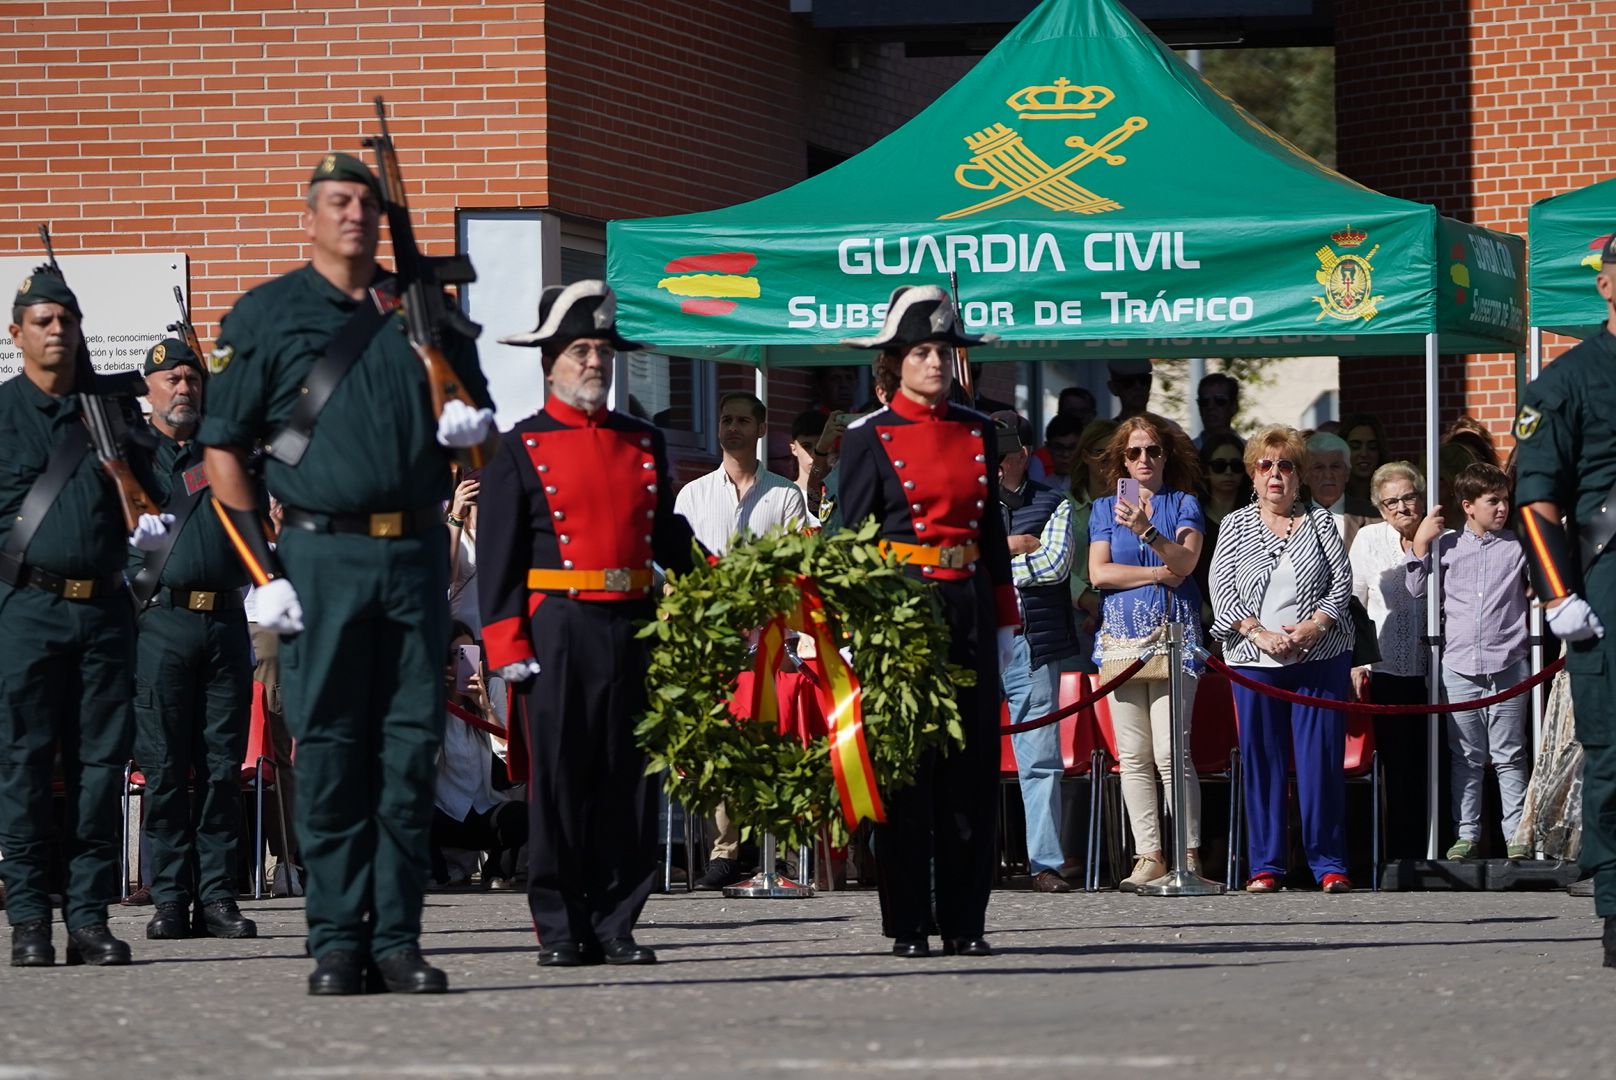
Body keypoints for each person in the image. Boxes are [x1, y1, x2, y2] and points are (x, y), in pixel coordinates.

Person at [199, 151, 495, 995]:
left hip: (413, 556)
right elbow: (224, 447)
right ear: (311, 218)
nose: (355, 214)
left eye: (365, 201)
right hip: (320, 557)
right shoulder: (267, 315)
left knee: (408, 752)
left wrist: (469, 421)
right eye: (337, 201)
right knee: (329, 747)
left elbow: (481, 440)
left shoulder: (423, 309)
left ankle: (396, 938)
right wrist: (263, 567)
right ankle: (335, 939)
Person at [480, 279, 698, 968]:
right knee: (563, 782)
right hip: (558, 628)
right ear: (550, 362)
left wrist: (729, 579)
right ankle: (561, 923)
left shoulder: (643, 440)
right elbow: (498, 559)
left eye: (603, 349)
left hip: (634, 623)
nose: (596, 362)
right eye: (580, 349)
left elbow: (668, 536)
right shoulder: (521, 447)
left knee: (630, 782)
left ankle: (617, 921)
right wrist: (506, 642)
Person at [838, 284, 1019, 958]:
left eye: (944, 350)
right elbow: (847, 540)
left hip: (967, 603)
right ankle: (910, 921)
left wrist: (1003, 622)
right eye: (922, 351)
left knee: (972, 776)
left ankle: (967, 921)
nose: (936, 362)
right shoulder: (868, 438)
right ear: (896, 361)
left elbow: (993, 537)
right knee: (909, 778)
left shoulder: (978, 431)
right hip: (902, 613)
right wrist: (851, 632)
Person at [0, 271, 169, 968]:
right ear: (17, 334)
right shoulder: (4, 412)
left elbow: (159, 493)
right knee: (25, 766)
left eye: (66, 320)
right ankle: (31, 921)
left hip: (102, 609)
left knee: (101, 768)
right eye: (42, 321)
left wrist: (130, 472)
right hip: (28, 609)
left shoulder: (114, 409)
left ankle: (90, 917)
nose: (56, 331)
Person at [130, 337, 257, 942]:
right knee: (162, 768)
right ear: (149, 387)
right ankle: (171, 898)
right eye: (171, 379)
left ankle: (217, 897)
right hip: (161, 621)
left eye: (192, 379)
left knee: (221, 768)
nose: (183, 388)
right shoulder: (131, 454)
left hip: (226, 620)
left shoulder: (226, 450)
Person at [1515, 234, 1616, 969]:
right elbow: (1536, 501)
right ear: (1607, 287)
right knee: (1615, 752)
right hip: (1609, 586)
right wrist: (1560, 596)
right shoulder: (1566, 381)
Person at [1210, 425, 1355, 893]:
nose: (1275, 474)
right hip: (1254, 661)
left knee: (1320, 765)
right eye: (1265, 465)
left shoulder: (1321, 522)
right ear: (1254, 476)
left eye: (1286, 465)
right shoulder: (1234, 525)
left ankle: (1328, 864)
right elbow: (1222, 590)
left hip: (1320, 658)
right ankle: (1266, 867)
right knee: (1262, 761)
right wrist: (1258, 633)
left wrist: (1316, 625)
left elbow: (1341, 583)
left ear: (1299, 476)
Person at [673, 391, 807, 891]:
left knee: (779, 743)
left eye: (742, 420)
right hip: (715, 641)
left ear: (761, 426)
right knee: (720, 747)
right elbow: (675, 575)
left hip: (773, 639)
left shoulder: (785, 496)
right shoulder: (691, 496)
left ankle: (784, 854)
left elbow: (798, 569)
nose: (732, 428)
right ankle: (724, 853)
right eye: (725, 419)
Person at [1088, 414, 1207, 889]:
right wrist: (1158, 574)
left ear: (1166, 456)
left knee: (1171, 751)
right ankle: (1149, 855)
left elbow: (1188, 561)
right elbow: (1099, 574)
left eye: (1152, 450)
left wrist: (1146, 532)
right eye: (1134, 452)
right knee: (1132, 755)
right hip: (1120, 639)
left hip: (1174, 636)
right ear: (1121, 458)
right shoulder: (1103, 508)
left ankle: (1187, 855)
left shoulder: (1183, 504)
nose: (1143, 459)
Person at [1406, 462, 1530, 861]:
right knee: (1466, 756)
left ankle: (1516, 835)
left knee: (1510, 755)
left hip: (1508, 662)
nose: (1501, 508)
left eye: (1505, 500)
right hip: (1459, 664)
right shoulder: (1448, 546)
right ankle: (1467, 834)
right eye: (1492, 501)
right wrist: (1420, 546)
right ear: (1468, 506)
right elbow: (1414, 589)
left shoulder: (1516, 547)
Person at [992, 411, 1081, 894]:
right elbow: (952, 559)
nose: (992, 459)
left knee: (1041, 757)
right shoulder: (967, 503)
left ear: (1024, 456)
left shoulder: (1054, 501)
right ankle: (972, 859)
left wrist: (990, 559)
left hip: (1033, 641)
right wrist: (1009, 546)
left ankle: (1043, 862)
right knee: (967, 757)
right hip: (978, 638)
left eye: (1002, 451)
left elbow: (1054, 566)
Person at [1348, 461, 1432, 861]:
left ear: (1422, 496)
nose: (1401, 507)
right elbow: (1355, 601)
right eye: (1391, 502)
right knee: (1397, 767)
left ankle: (1437, 848)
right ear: (1380, 509)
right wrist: (1357, 662)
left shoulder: (1443, 538)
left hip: (1438, 671)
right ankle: (1399, 857)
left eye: (1408, 497)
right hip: (1385, 669)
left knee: (1435, 764)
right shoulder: (1367, 538)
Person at [434, 623, 527, 888]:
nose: (460, 662)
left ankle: (497, 869)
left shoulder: (491, 685)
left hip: (483, 806)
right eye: (453, 655)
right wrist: (435, 699)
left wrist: (484, 706)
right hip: (444, 809)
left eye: (467, 653)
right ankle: (435, 871)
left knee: (519, 815)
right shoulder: (427, 692)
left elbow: (507, 752)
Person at [1068, 419, 1120, 672]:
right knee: (1075, 699)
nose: (1109, 460)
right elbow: (1054, 562)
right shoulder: (1062, 505)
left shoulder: (1134, 505)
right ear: (1086, 456)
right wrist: (1086, 599)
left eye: (1116, 453)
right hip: (1075, 617)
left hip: (1122, 612)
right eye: (1102, 452)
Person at [1194, 432, 1254, 637]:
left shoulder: (1256, 515)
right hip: (1200, 621)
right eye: (1219, 466)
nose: (1229, 472)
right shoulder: (1192, 516)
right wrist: (1211, 617)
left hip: (1251, 625)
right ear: (1205, 471)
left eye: (1236, 466)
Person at [1305, 431, 1376, 551]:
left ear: (1347, 473)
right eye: (1319, 467)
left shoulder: (1374, 517)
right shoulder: (1291, 518)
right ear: (1305, 476)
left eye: (1335, 466)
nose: (1328, 475)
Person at [446, 464, 481, 632]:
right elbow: (447, 575)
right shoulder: (449, 524)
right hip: (462, 631)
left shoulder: (505, 524)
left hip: (494, 629)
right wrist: (457, 514)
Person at [787, 409, 831, 523]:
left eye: (821, 445)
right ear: (794, 449)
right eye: (806, 446)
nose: (814, 453)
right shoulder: (783, 494)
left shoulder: (841, 492)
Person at [1341, 412, 1389, 505]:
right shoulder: (1332, 498)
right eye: (1355, 447)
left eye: (1372, 447)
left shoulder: (1391, 496)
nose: (1364, 454)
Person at [1028, 414, 1081, 488]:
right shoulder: (1043, 488)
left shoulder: (1093, 486)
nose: (1065, 454)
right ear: (1048, 448)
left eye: (1072, 448)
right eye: (1059, 448)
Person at [1194, 372, 1243, 450]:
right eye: (1204, 402)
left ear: (1234, 406)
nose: (1210, 407)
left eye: (1220, 400)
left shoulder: (1249, 453)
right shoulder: (1186, 453)